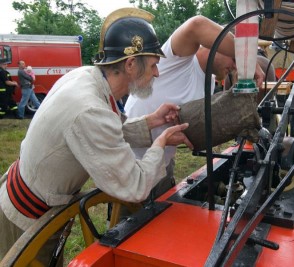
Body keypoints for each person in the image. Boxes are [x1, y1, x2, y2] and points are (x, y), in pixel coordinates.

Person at [0, 7, 193, 265]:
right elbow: (134, 186)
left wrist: (151, 122)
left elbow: (106, 133)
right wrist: (160, 142)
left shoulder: (86, 77)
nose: (157, 73)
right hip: (25, 220)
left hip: (24, 201)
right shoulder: (90, 109)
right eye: (154, 65)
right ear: (131, 64)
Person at [124, 16, 265, 198]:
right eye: (233, 57)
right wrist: (247, 57)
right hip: (129, 164)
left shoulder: (209, 82)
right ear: (214, 46)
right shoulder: (177, 59)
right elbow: (196, 25)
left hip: (161, 164)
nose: (236, 66)